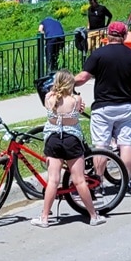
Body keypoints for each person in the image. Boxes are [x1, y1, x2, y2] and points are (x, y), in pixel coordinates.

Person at [32, 69, 104, 228]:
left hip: (53, 140)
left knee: (53, 180)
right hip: (71, 140)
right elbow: (79, 110)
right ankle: (93, 215)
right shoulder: (76, 99)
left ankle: (44, 217)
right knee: (79, 180)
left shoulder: (49, 98)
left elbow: (51, 101)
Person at [74, 21, 131, 183]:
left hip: (103, 107)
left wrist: (66, 82)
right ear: (124, 36)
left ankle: (98, 183)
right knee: (126, 144)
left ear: (108, 35)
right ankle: (125, 184)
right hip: (126, 106)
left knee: (101, 146)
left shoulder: (99, 54)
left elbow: (83, 78)